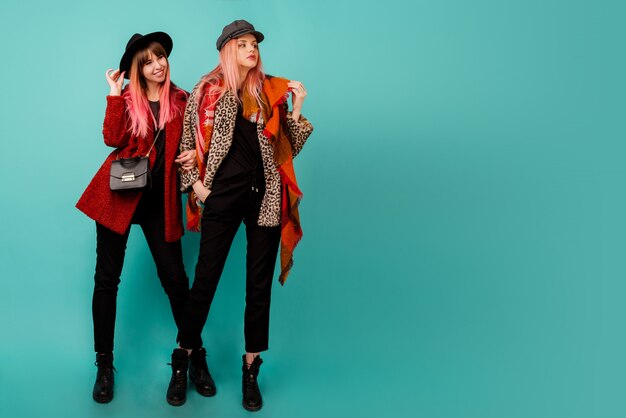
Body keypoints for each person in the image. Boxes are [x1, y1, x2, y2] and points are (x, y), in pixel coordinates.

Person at [164, 20, 314, 410]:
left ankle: (251, 371)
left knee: (258, 287)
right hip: (223, 196)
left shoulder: (267, 94)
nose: (252, 49)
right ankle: (182, 362)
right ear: (228, 50)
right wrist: (196, 187)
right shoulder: (208, 90)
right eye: (243, 44)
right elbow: (186, 145)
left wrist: (298, 107)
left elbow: (286, 149)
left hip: (264, 195)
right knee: (206, 281)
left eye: (255, 44)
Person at [76, 31, 195, 403]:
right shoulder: (127, 99)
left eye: (160, 57)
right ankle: (104, 364)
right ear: (136, 69)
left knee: (175, 280)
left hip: (160, 203)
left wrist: (195, 158)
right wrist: (114, 92)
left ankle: (195, 353)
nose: (157, 65)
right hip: (119, 199)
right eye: (147, 61)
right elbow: (112, 138)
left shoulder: (182, 99)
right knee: (106, 280)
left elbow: (195, 145)